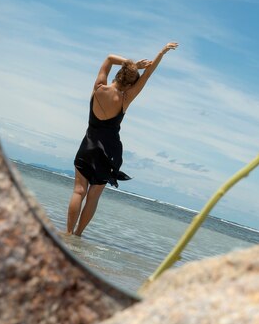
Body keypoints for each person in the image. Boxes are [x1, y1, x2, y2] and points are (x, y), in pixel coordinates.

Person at [66, 42, 178, 236]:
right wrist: (161, 53)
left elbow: (109, 58)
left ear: (118, 74)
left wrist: (132, 64)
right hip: (108, 152)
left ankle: (67, 235)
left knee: (78, 191)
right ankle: (77, 236)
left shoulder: (98, 88)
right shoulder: (126, 98)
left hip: (88, 145)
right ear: (130, 83)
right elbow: (148, 74)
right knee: (92, 198)